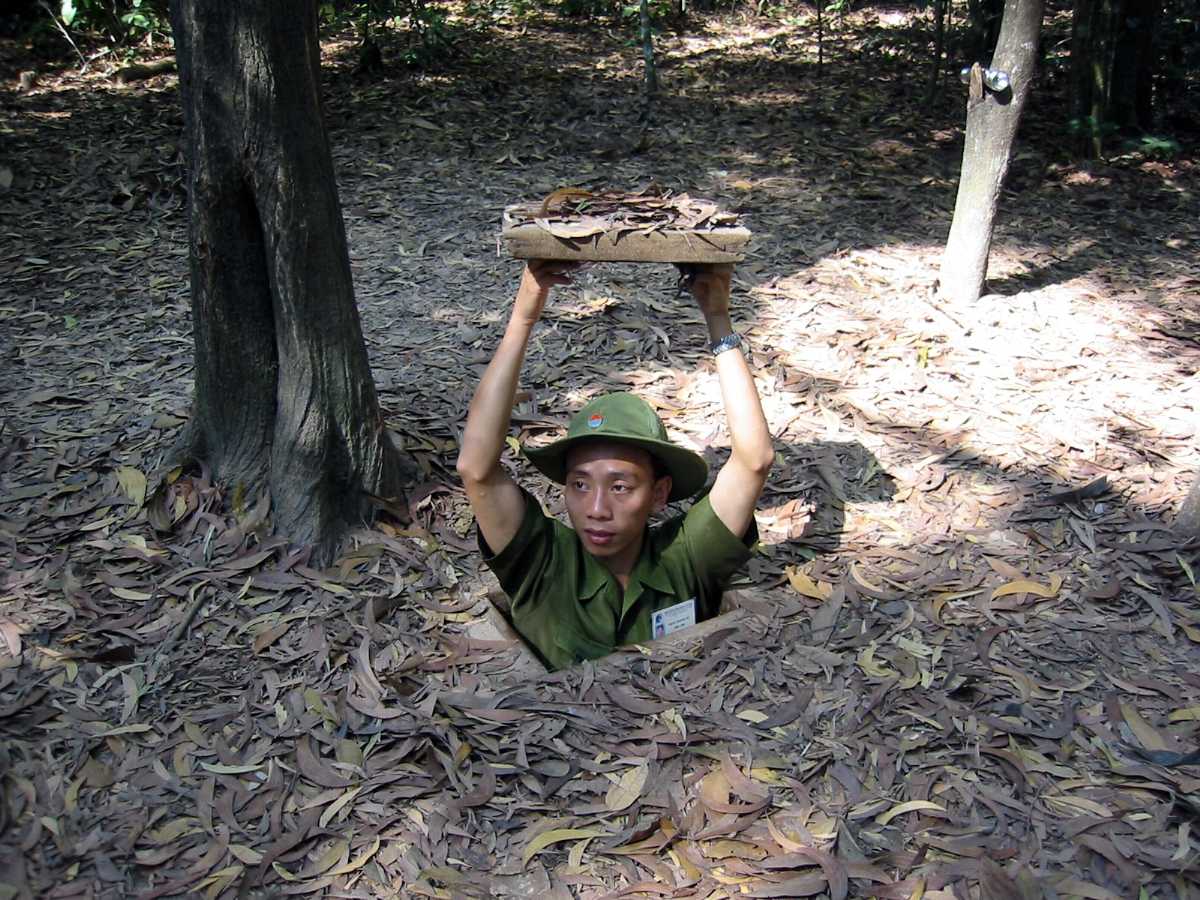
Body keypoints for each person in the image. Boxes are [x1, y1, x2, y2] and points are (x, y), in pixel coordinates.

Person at [456, 260, 773, 670]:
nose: (596, 509)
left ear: (659, 494)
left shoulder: (686, 557)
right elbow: (476, 467)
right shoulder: (542, 560)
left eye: (620, 487)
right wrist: (522, 318)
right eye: (580, 485)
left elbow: (754, 460)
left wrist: (718, 320)